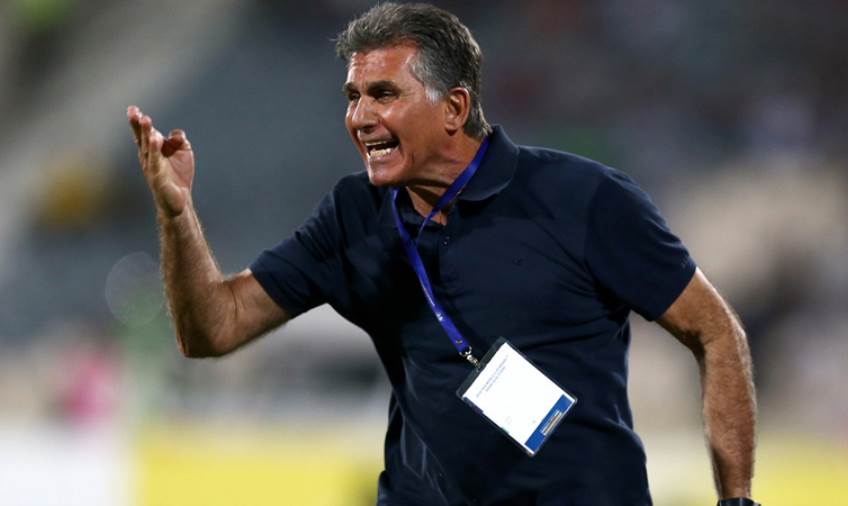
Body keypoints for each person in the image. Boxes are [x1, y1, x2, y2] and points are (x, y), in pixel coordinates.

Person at [127, 3, 758, 505]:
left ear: (454, 107)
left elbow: (715, 331)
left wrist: (735, 500)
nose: (360, 117)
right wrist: (177, 214)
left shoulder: (585, 199)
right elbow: (213, 329)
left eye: (383, 94)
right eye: (353, 96)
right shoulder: (353, 216)